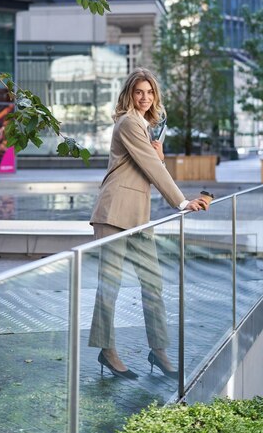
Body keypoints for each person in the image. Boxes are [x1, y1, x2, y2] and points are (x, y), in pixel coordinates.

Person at [88, 67, 206, 380]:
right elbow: (150, 165)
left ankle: (159, 350)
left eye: (150, 92)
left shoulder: (146, 126)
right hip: (114, 213)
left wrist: (160, 155)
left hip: (138, 217)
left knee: (153, 284)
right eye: (139, 92)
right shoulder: (128, 122)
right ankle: (107, 350)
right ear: (129, 94)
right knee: (109, 287)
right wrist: (181, 202)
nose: (145, 98)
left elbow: (149, 163)